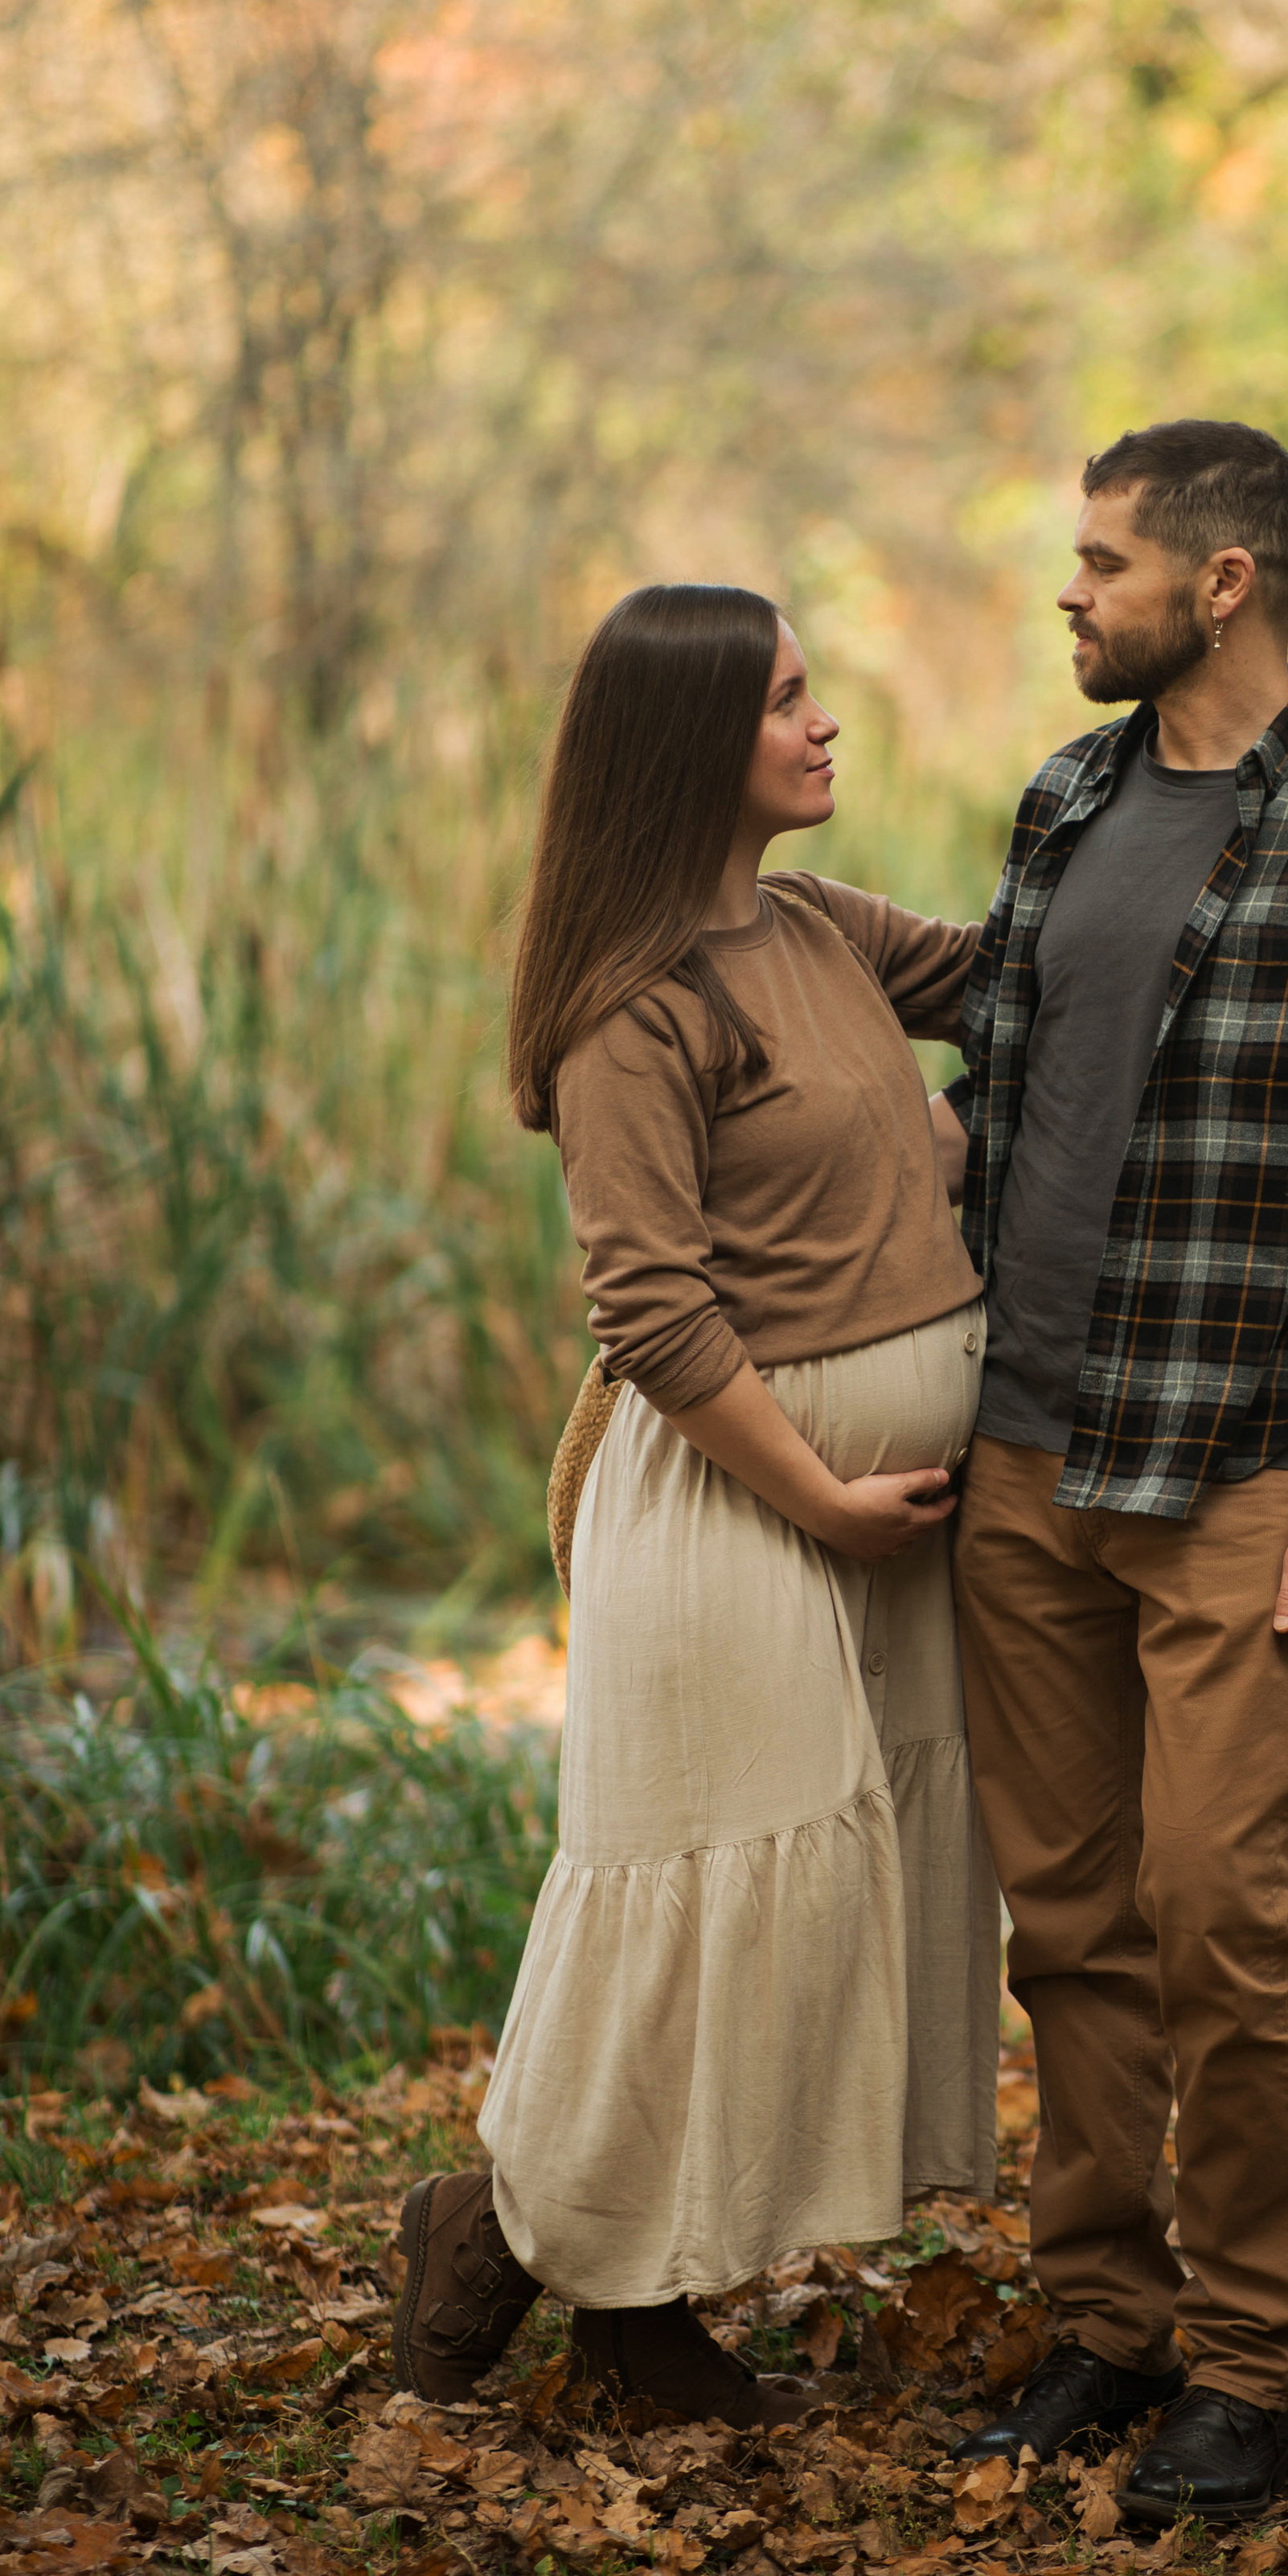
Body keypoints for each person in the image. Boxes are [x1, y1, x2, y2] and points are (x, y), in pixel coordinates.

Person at [939, 420, 1288, 2525]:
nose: (1071, 593)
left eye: (1103, 562)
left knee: (1220, 1927)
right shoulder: (1063, 799)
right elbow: (1002, 1105)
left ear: (1226, 580)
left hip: (1243, 1471)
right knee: (1071, 1931)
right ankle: (1106, 2327)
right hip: (1020, 1459)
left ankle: (1248, 2370)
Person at [392, 581, 1001, 2425]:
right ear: (684, 745)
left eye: (815, 692)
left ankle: (630, 2304)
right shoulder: (633, 1009)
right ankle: (501, 2236)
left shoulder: (823, 930)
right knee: (702, 1906)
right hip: (741, 1503)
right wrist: (821, 1497)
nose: (824, 725)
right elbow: (651, 1313)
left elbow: (1029, 976)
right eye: (784, 701)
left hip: (866, 1516)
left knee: (806, 1911)